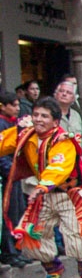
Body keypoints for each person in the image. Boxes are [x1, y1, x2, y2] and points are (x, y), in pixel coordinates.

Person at [0, 97, 82, 278]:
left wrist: (43, 186)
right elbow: (2, 142)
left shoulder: (64, 140)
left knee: (78, 239)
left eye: (44, 116)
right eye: (35, 115)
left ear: (55, 121)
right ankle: (54, 267)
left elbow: (59, 167)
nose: (38, 119)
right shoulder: (25, 134)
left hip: (70, 195)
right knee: (29, 237)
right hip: (42, 195)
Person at [0, 92, 28, 267]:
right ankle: (9, 252)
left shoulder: (14, 123)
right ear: (3, 106)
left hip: (15, 173)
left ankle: (16, 250)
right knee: (8, 213)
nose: (17, 108)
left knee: (18, 211)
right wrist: (10, 169)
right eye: (14, 105)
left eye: (18, 105)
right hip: (7, 175)